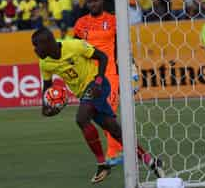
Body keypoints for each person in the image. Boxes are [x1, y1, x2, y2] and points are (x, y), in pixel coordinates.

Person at [31, 27, 164, 184]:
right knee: (114, 130)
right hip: (84, 95)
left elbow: (102, 57)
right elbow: (47, 86)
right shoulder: (45, 63)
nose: (35, 49)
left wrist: (99, 81)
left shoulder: (74, 46)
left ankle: (102, 165)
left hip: (97, 85)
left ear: (48, 43)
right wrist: (44, 107)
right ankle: (151, 161)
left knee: (81, 118)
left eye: (36, 45)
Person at [73, 0, 123, 166]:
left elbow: (121, 47)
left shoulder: (113, 21)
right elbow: (75, 50)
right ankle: (118, 149)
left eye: (95, 0)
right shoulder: (80, 23)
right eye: (89, 1)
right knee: (99, 116)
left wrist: (129, 68)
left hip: (110, 74)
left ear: (102, 0)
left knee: (110, 111)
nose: (92, 4)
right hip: (90, 78)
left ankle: (113, 153)